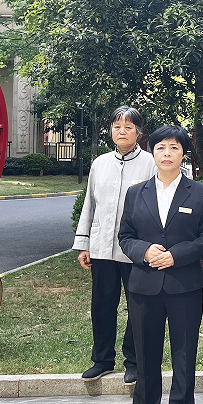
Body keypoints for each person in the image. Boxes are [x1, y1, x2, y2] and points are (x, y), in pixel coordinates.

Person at [118, 125, 203, 404]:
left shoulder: (198, 193)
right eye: (160, 147)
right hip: (144, 286)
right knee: (146, 360)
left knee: (184, 358)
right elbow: (125, 236)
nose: (166, 153)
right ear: (152, 151)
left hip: (184, 286)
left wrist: (176, 255)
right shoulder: (136, 193)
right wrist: (145, 251)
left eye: (174, 147)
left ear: (183, 153)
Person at [73, 106, 156, 384]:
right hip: (102, 247)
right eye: (117, 126)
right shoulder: (100, 164)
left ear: (138, 132)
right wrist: (84, 244)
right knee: (102, 305)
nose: (122, 131)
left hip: (135, 250)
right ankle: (102, 360)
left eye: (128, 127)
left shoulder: (150, 163)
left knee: (137, 307)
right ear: (110, 130)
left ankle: (133, 361)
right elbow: (89, 205)